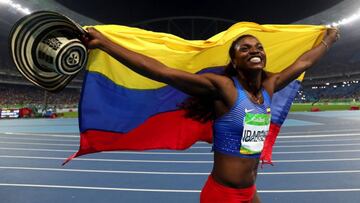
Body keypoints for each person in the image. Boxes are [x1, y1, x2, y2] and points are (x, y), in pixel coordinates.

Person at [83, 27, 339, 203]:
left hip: (249, 191)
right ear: (235, 61)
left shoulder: (269, 87)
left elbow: (303, 63)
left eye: (259, 47)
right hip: (223, 195)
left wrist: (328, 39)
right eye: (245, 48)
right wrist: (105, 44)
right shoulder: (224, 88)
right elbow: (163, 72)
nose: (254, 50)